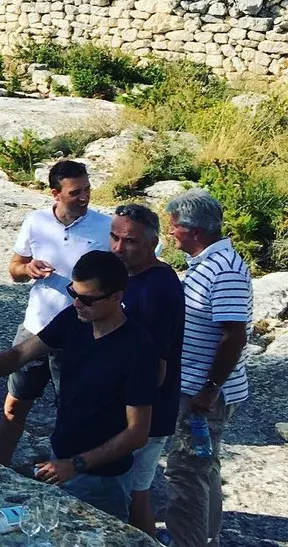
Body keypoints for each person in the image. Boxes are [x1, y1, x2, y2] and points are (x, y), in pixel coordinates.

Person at [0, 251, 157, 521]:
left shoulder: (137, 349)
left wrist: (76, 465)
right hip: (60, 459)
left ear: (116, 297)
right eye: (73, 292)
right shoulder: (74, 319)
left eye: (86, 299)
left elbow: (137, 433)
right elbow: (21, 354)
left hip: (103, 480)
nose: (76, 303)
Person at [0, 159, 112, 466]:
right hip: (37, 327)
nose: (85, 197)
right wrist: (28, 268)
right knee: (15, 404)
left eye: (87, 189)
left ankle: (67, 472)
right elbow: (14, 269)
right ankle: (0, 466)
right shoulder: (36, 222)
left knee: (74, 411)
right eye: (76, 192)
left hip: (81, 334)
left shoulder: (106, 227)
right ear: (55, 193)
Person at [164, 189, 253, 547]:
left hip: (206, 394)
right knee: (204, 466)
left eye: (174, 228)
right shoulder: (206, 264)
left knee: (186, 471)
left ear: (194, 231)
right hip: (199, 387)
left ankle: (187, 541)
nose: (171, 234)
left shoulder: (225, 270)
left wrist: (210, 387)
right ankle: (207, 536)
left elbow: (233, 336)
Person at [108, 204, 185, 538]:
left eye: (130, 241)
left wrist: (136, 414)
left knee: (135, 493)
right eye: (114, 237)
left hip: (146, 414)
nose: (118, 248)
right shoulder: (128, 275)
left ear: (153, 243)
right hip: (126, 406)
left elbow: (157, 365)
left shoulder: (158, 287)